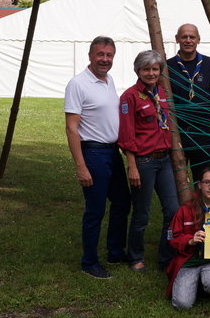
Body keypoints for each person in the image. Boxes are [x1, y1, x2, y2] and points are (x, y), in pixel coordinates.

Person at [64, 36, 131, 279]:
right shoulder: (78, 84)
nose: (105, 59)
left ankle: (115, 251)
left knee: (122, 202)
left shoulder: (108, 80)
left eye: (109, 55)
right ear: (90, 55)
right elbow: (71, 129)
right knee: (95, 209)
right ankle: (89, 261)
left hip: (112, 152)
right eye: (100, 54)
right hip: (93, 152)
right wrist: (81, 166)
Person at [118, 50, 180, 272]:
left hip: (164, 161)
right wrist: (132, 165)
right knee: (141, 213)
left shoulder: (162, 94)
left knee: (172, 211)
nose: (151, 73)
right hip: (143, 163)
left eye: (155, 69)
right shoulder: (130, 97)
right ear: (138, 71)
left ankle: (166, 257)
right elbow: (126, 135)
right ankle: (135, 257)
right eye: (146, 69)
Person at [166, 167, 210, 309]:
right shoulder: (185, 209)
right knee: (181, 304)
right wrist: (189, 240)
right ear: (199, 184)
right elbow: (172, 237)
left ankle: (203, 283)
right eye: (207, 182)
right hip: (189, 260)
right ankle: (193, 284)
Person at [166, 24, 210, 180]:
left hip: (202, 132)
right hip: (177, 133)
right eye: (184, 37)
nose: (188, 40)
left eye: (192, 37)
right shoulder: (167, 65)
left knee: (203, 178)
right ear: (177, 39)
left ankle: (201, 205)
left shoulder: (208, 63)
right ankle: (180, 205)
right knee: (177, 179)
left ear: (198, 40)